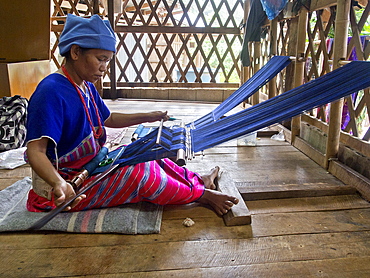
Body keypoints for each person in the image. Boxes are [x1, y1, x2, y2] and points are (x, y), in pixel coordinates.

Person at [25, 14, 239, 216]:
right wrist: (58, 184)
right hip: (66, 189)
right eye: (101, 59)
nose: (105, 68)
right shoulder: (50, 91)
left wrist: (150, 116)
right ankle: (201, 195)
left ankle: (197, 180)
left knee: (146, 153)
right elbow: (36, 151)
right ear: (75, 52)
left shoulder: (84, 86)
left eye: (108, 61)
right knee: (139, 175)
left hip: (91, 165)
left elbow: (108, 119)